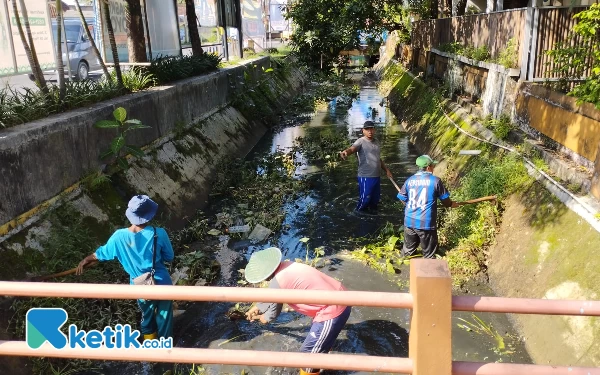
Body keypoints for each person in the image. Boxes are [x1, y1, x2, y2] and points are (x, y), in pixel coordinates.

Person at [76, 194, 175, 341]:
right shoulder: (158, 234)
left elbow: (101, 254)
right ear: (149, 216)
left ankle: (150, 348)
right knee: (165, 317)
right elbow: (169, 257)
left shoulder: (118, 237)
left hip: (139, 286)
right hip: (162, 283)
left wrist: (86, 259)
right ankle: (167, 349)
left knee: (146, 317)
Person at [244, 247, 352, 375]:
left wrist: (262, 319)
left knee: (307, 357)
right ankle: (322, 354)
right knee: (319, 345)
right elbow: (274, 293)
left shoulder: (277, 282)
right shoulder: (288, 265)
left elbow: (271, 314)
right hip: (341, 295)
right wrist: (257, 307)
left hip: (332, 310)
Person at [396, 155, 459, 259]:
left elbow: (402, 198)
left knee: (407, 254)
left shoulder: (409, 180)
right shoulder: (435, 181)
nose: (433, 168)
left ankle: (407, 268)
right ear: (429, 167)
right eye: (433, 166)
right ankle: (427, 271)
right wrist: (452, 204)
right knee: (429, 255)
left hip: (409, 222)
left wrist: (410, 205)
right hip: (426, 223)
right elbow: (446, 202)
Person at [339, 120, 393, 212]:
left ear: (374, 130)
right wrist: (345, 152)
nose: (370, 131)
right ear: (363, 130)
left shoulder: (376, 142)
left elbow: (378, 159)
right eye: (367, 129)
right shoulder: (360, 141)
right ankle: (358, 215)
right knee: (365, 200)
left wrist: (387, 170)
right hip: (365, 177)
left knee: (375, 201)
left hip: (376, 176)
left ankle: (373, 219)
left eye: (371, 129)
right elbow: (352, 149)